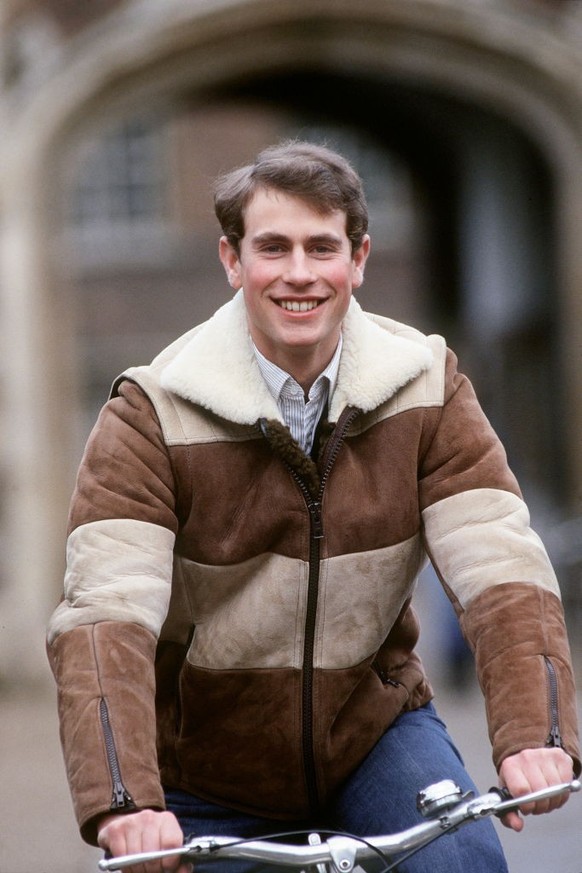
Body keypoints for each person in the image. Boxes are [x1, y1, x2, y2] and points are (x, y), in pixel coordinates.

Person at [47, 141, 579, 873]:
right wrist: (125, 799)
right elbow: (105, 612)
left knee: (463, 862)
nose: (299, 272)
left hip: (374, 734)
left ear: (358, 259)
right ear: (232, 261)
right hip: (203, 769)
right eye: (273, 247)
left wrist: (534, 732)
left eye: (321, 247)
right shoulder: (149, 414)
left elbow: (499, 560)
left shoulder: (428, 385)